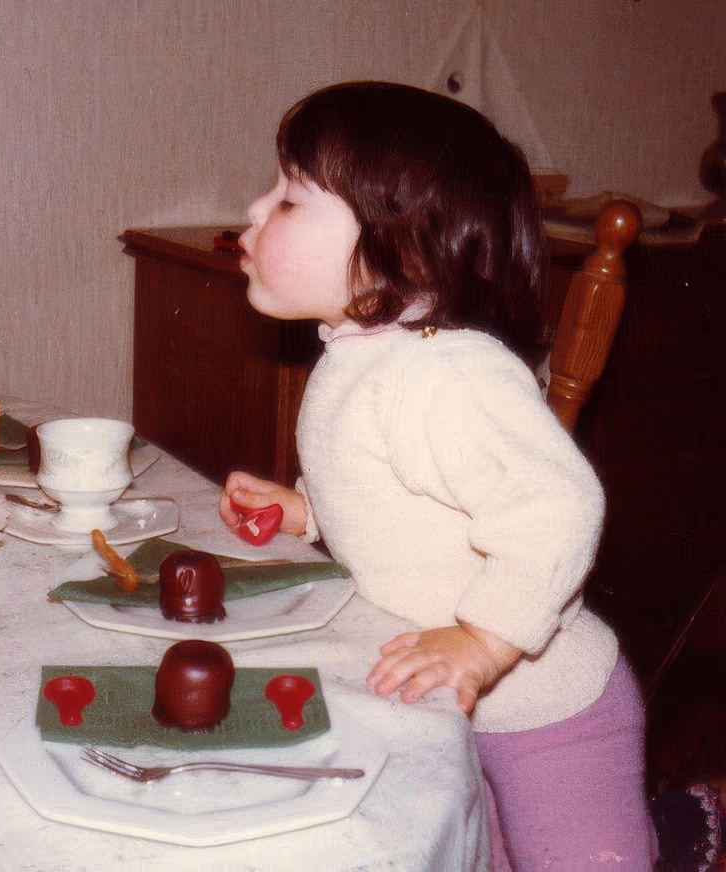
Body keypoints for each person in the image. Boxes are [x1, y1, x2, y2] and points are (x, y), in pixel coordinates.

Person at [218, 81, 656, 869]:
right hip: (447, 697)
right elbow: (394, 489)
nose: (254, 210)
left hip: (547, 709)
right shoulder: (355, 355)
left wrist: (484, 641)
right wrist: (306, 510)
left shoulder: (448, 374)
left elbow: (556, 507)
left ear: (402, 247)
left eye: (289, 200)